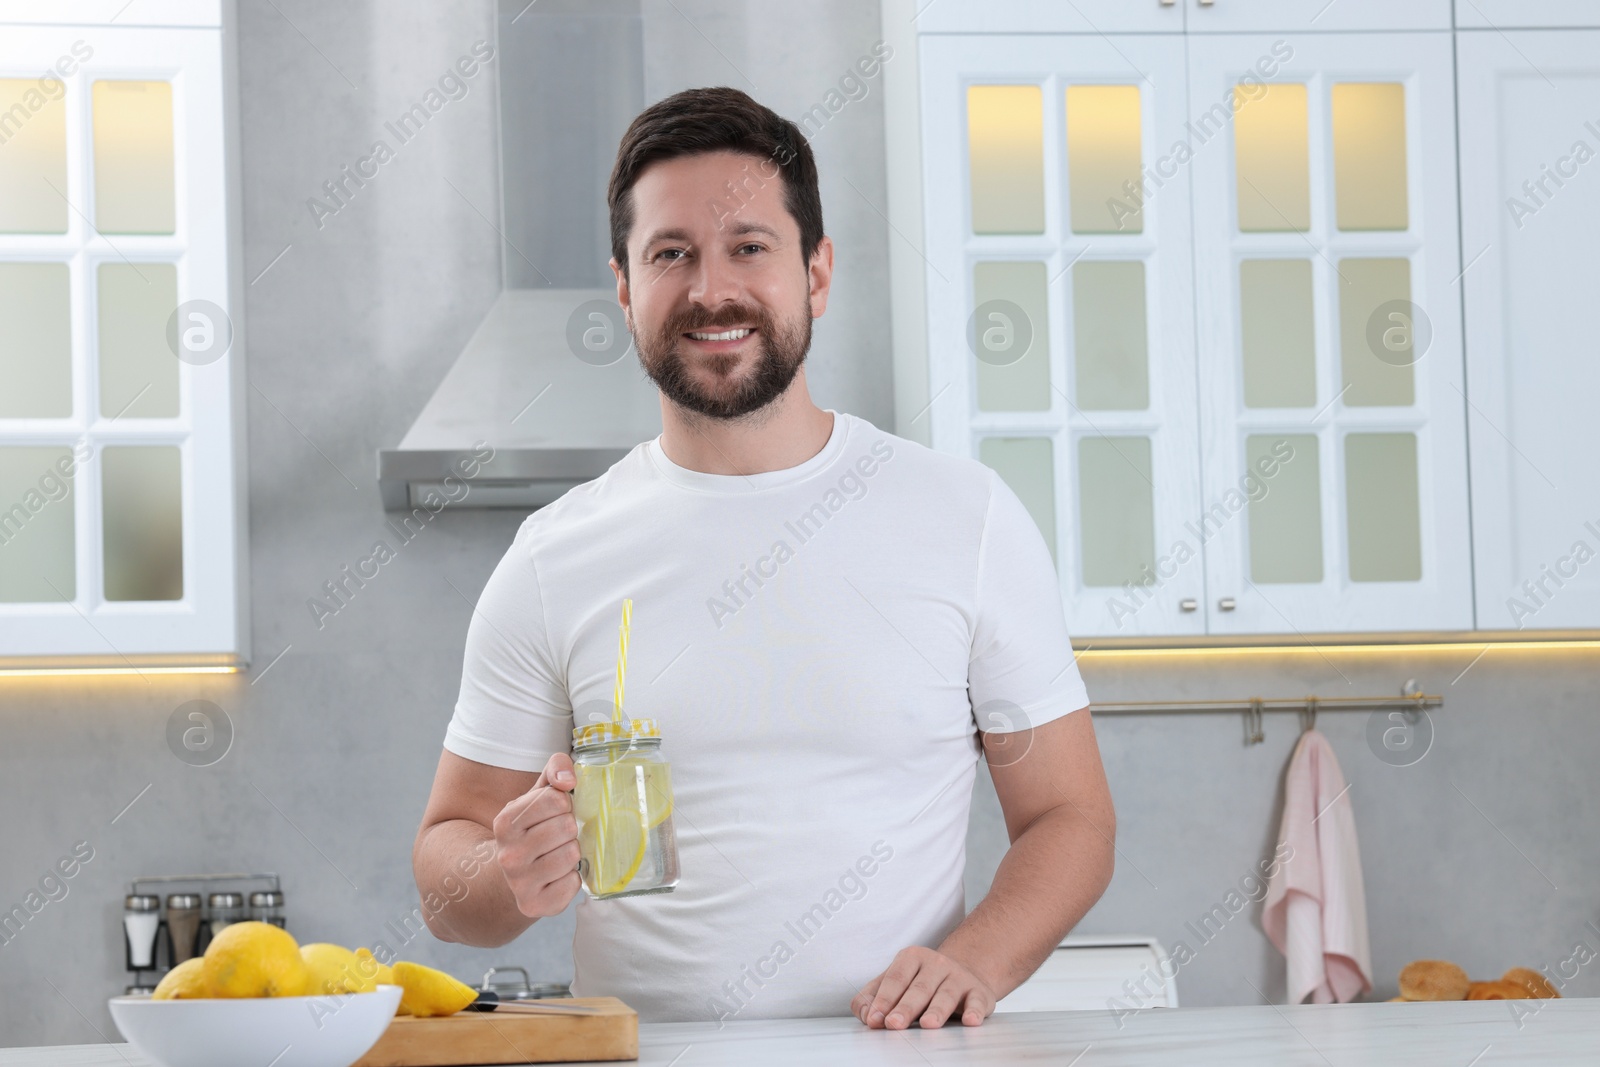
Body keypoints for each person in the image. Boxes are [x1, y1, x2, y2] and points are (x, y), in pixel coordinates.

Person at [412, 86, 1115, 1031]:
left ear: (816, 273)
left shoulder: (965, 519)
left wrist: (973, 962)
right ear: (623, 286)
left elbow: (1071, 818)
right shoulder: (554, 558)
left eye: (749, 246)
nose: (712, 290)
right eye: (671, 254)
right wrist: (505, 870)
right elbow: (444, 876)